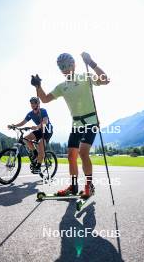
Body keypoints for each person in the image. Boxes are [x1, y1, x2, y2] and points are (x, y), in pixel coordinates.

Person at [31, 52, 110, 198]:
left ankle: (89, 186)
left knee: (83, 152)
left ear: (74, 65)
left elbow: (105, 80)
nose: (65, 69)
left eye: (68, 65)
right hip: (76, 124)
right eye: (62, 67)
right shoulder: (62, 86)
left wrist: (92, 63)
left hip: (91, 121)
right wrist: (38, 86)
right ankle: (73, 187)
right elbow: (45, 99)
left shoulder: (85, 77)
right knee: (71, 156)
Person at [8, 97, 53, 174]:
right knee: (25, 139)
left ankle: (38, 167)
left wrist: (37, 126)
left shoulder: (43, 111)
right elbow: (23, 122)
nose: (32, 105)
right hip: (39, 130)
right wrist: (14, 126)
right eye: (31, 103)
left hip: (47, 131)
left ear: (38, 104)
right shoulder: (30, 114)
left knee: (40, 145)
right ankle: (35, 153)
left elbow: (45, 121)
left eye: (34, 103)